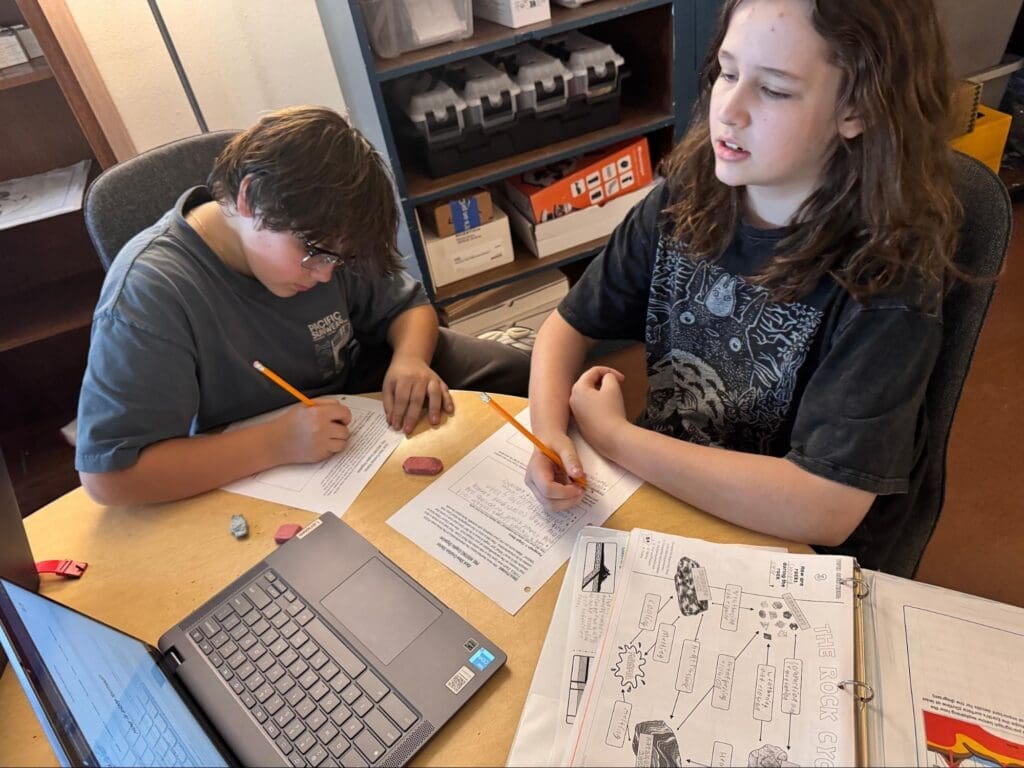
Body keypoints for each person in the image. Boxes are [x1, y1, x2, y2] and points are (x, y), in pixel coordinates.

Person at [525, 0, 963, 572]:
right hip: (676, 495)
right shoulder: (686, 196)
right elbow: (567, 326)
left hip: (794, 555)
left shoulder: (889, 277)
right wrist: (549, 435)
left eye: (775, 90)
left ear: (856, 108)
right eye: (728, 73)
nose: (727, 110)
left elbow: (824, 507)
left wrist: (614, 438)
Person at [76, 106, 529, 505]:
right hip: (250, 458)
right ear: (250, 198)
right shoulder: (149, 293)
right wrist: (275, 444)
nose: (328, 275)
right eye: (314, 254)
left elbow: (408, 307)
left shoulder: (326, 234)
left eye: (340, 259)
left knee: (522, 374)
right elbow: (108, 479)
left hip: (354, 410)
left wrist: (410, 359)